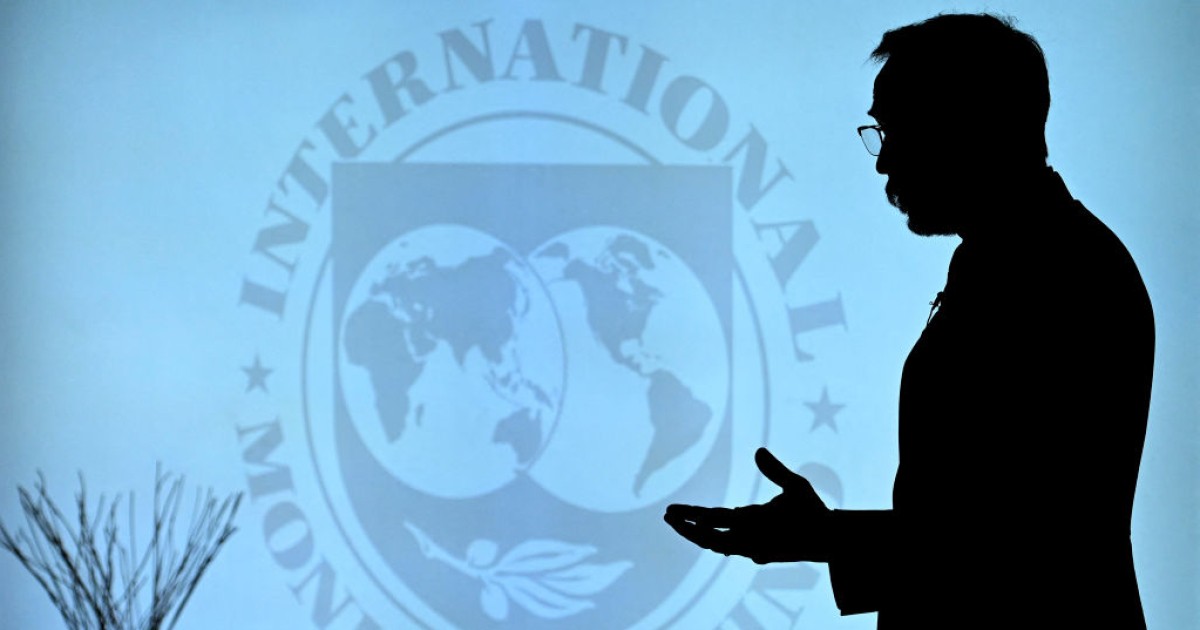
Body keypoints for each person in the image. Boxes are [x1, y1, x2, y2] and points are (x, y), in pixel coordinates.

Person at [664, 13, 1154, 629]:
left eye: (898, 129)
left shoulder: (1065, 274)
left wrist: (826, 537)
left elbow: (1036, 542)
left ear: (969, 125)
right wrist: (827, 535)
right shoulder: (1012, 261)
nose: (883, 161)